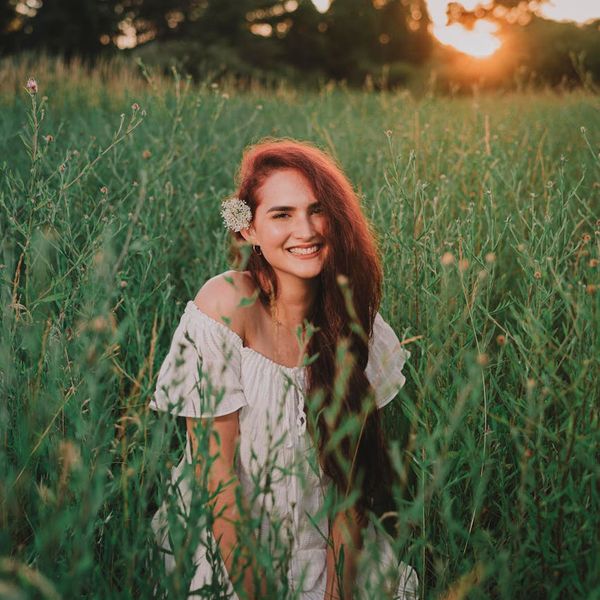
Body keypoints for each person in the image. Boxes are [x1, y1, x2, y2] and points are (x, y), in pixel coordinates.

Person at [149, 139, 418, 599]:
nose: (306, 229)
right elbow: (218, 483)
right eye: (282, 214)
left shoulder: (357, 323)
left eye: (318, 210)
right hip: (227, 543)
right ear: (247, 229)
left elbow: (348, 491)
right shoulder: (225, 306)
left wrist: (336, 594)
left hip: (325, 549)